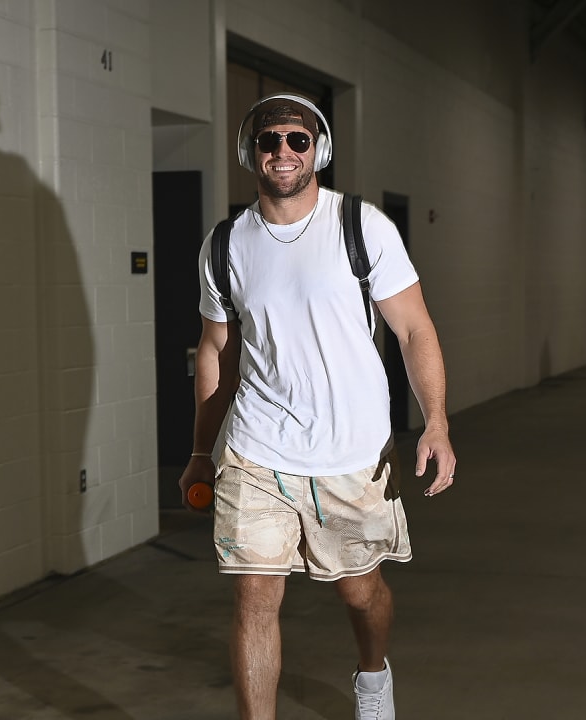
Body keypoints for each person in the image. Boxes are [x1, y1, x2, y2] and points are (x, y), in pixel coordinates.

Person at [178, 94, 457, 720]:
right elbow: (216, 350)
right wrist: (201, 451)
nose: (282, 151)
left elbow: (414, 330)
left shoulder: (361, 227)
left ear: (318, 150)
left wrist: (435, 421)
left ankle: (372, 674)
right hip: (257, 448)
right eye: (269, 140)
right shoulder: (226, 244)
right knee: (254, 596)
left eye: (296, 140)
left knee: (362, 595)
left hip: (351, 453)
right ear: (252, 150)